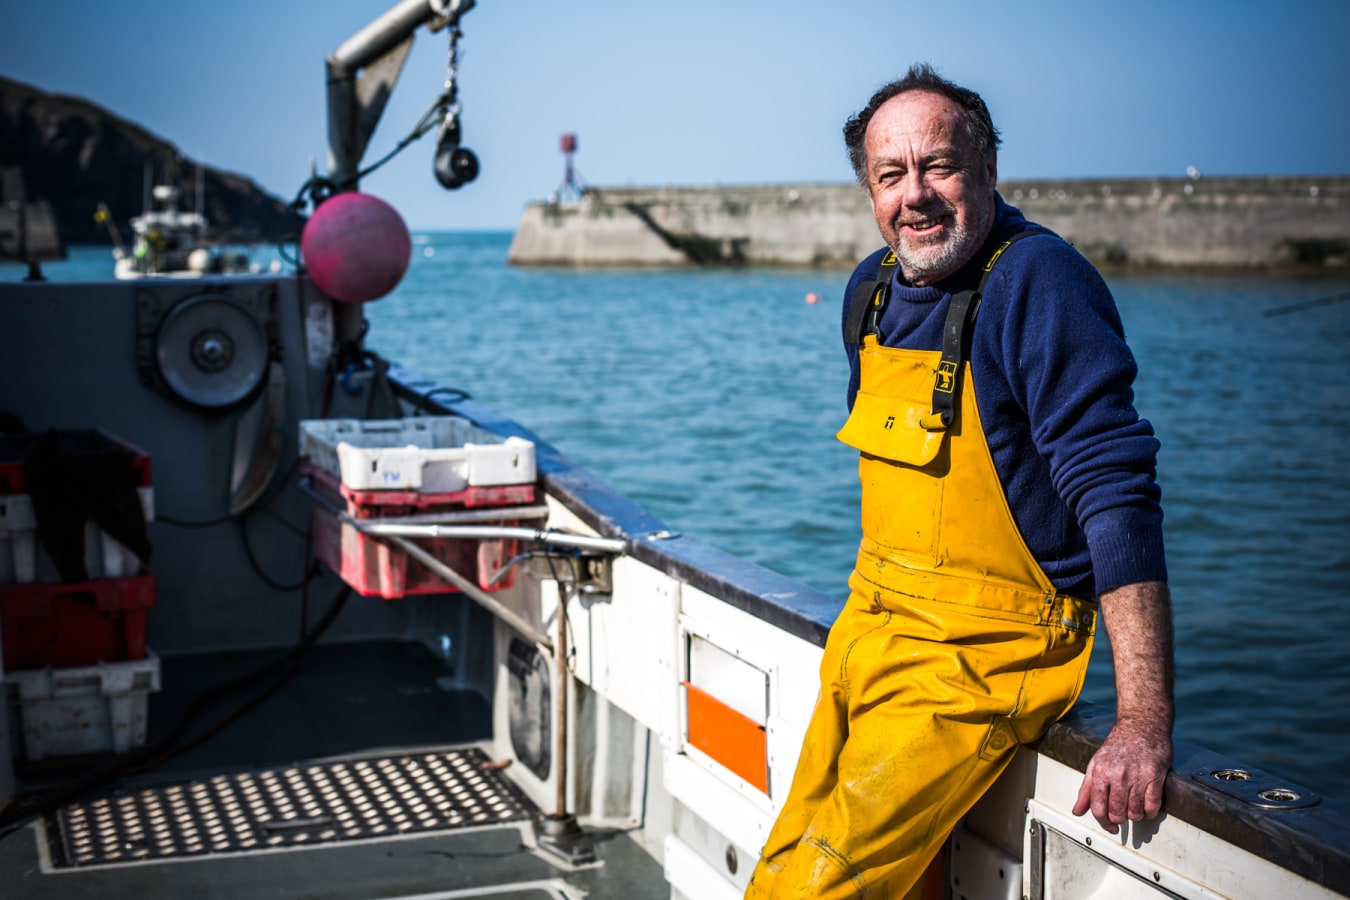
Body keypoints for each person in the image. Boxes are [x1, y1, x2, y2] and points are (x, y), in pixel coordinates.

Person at [746, 64, 1175, 899]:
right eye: (891, 175)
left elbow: (1116, 496)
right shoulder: (868, 290)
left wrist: (1142, 724)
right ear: (869, 190)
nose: (918, 196)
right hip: (868, 632)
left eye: (939, 166)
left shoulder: (1036, 281)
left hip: (987, 655)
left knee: (816, 888)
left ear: (986, 171)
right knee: (790, 855)